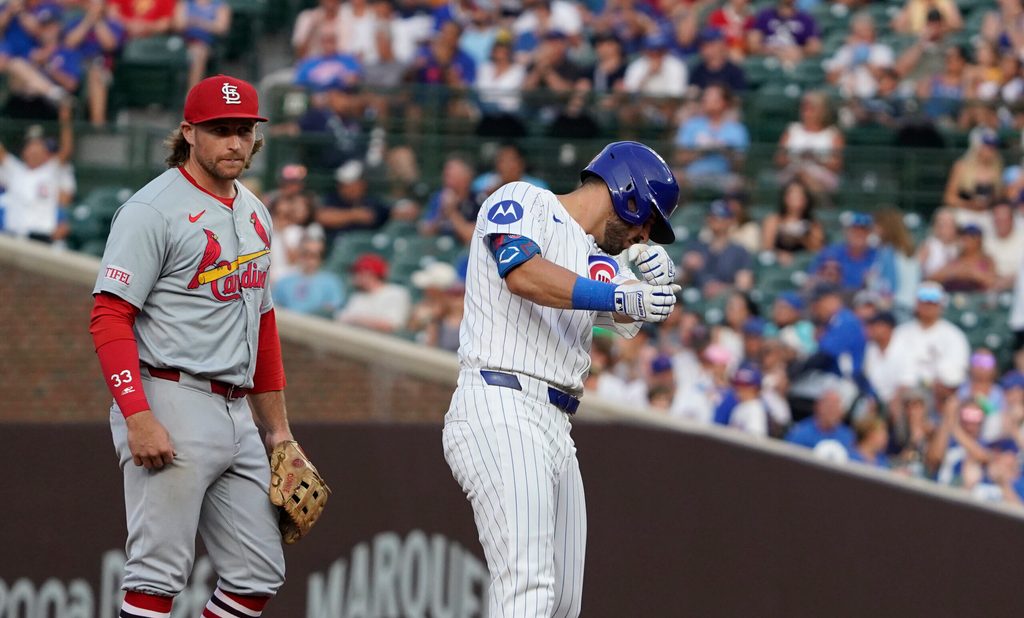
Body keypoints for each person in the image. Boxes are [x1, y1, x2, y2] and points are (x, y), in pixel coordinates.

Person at [442, 141, 681, 617]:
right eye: (646, 219)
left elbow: (633, 311)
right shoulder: (525, 201)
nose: (643, 234)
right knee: (527, 587)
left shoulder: (597, 256)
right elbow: (524, 272)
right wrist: (617, 296)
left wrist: (652, 282)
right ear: (626, 191)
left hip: (555, 424)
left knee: (563, 604)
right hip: (501, 401)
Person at [88, 75, 293, 617]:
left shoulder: (254, 210)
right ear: (188, 133)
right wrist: (137, 415)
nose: (233, 142)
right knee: (156, 577)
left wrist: (278, 432)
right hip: (169, 395)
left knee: (257, 574)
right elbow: (109, 315)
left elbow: (263, 322)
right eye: (219, 130)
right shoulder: (151, 209)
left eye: (243, 131)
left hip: (236, 410)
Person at [0, 101, 75, 243]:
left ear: (46, 152)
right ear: (24, 151)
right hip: (13, 235)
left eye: (38, 145)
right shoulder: (15, 169)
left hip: (42, 237)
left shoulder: (51, 169)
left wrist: (65, 120)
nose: (34, 149)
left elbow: (67, 150)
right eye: (31, 145)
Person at [890, 282, 970, 390]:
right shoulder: (900, 333)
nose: (928, 305)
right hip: (907, 392)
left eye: (933, 302)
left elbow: (956, 372)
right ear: (916, 303)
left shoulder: (954, 335)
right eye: (924, 301)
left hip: (939, 393)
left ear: (941, 305)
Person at [673, 83, 749, 190]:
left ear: (724, 102)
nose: (705, 101)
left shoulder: (736, 129)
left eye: (711, 98)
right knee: (675, 178)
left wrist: (725, 150)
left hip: (723, 177)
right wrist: (701, 150)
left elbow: (740, 165)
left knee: (739, 184)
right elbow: (679, 158)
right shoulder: (691, 124)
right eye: (705, 98)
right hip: (693, 176)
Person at [775, 90, 845, 194]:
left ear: (822, 111)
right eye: (804, 108)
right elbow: (779, 160)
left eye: (811, 109)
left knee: (806, 177)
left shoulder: (833, 134)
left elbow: (837, 165)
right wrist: (798, 158)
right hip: (793, 173)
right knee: (799, 175)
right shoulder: (792, 130)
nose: (806, 112)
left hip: (822, 176)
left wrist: (816, 158)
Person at [680, 200, 754, 297]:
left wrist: (723, 288)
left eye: (720, 216)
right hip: (697, 296)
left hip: (725, 299)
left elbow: (745, 285)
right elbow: (681, 281)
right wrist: (687, 270)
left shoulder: (739, 251)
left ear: (730, 220)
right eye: (711, 216)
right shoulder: (697, 246)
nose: (714, 220)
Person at [318, 160, 389, 246]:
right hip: (337, 247)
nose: (348, 189)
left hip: (366, 248)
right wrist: (355, 215)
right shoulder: (333, 199)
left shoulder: (373, 201)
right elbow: (322, 217)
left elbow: (387, 214)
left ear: (362, 184)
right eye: (344, 185)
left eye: (352, 184)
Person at [824, 11, 894, 100]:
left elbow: (885, 79)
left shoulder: (882, 50)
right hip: (845, 97)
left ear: (873, 32)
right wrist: (849, 57)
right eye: (857, 32)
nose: (861, 35)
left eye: (865, 30)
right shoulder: (845, 50)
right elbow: (830, 79)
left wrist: (864, 58)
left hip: (873, 97)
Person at [336, 252, 411, 333]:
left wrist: (357, 319)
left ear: (370, 273)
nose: (355, 276)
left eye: (358, 272)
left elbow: (391, 325)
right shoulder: (357, 296)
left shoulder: (396, 292)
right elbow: (341, 319)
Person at [273, 236, 346, 318]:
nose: (309, 259)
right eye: (305, 254)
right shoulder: (284, 281)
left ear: (322, 257)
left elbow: (333, 308)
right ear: (299, 254)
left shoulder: (332, 282)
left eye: (314, 255)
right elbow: (274, 306)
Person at [942, 130, 1003, 223]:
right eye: (987, 146)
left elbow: (1000, 197)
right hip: (964, 214)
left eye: (993, 146)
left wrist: (988, 203)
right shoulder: (962, 166)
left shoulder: (997, 169)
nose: (991, 150)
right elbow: (949, 198)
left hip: (988, 216)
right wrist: (970, 204)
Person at [809, 212, 878, 292]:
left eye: (863, 231)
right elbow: (812, 281)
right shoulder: (830, 253)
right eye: (854, 230)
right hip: (832, 297)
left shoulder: (878, 256)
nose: (859, 234)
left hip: (863, 299)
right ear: (845, 232)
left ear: (870, 234)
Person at [419, 154, 479, 244]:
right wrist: (441, 213)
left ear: (466, 177)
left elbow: (472, 237)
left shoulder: (477, 200)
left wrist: (451, 212)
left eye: (450, 174)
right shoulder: (438, 196)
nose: (445, 177)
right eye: (446, 173)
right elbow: (424, 232)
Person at [760, 179, 824, 263]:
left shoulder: (813, 223)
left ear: (806, 199)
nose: (795, 198)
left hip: (804, 264)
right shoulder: (773, 220)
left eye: (799, 195)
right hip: (778, 263)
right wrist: (779, 254)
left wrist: (800, 238)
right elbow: (767, 247)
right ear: (785, 198)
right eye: (791, 194)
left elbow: (818, 250)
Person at [173, 0, 231, 90]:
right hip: (184, 43)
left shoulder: (219, 5)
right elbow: (178, 25)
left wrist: (199, 22)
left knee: (198, 52)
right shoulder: (185, 3)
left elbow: (221, 28)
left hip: (209, 45)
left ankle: (192, 93)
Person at [748, 0, 821, 67]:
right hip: (769, 58)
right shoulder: (765, 15)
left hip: (795, 60)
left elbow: (815, 47)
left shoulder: (805, 19)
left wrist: (800, 50)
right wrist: (771, 51)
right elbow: (753, 44)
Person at [929, 223, 998, 293]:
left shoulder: (986, 260)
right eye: (964, 237)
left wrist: (972, 274)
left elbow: (993, 282)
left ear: (978, 240)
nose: (966, 240)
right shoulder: (956, 260)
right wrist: (955, 273)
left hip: (978, 298)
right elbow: (933, 277)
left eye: (970, 237)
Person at [785, 387, 855, 451]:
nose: (832, 411)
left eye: (836, 407)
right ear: (818, 407)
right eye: (829, 406)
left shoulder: (847, 435)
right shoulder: (801, 432)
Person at [688, 28, 747, 92]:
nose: (706, 49)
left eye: (711, 44)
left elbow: (739, 98)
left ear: (721, 45)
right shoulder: (698, 72)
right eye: (703, 45)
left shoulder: (734, 72)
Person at [986, 201, 1024, 290]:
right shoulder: (985, 239)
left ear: (1012, 219)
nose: (1001, 223)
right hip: (991, 285)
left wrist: (1009, 280)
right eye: (998, 219)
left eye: (1005, 219)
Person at [917, 207, 959, 279]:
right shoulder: (929, 245)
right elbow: (916, 268)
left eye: (948, 224)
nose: (944, 228)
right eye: (941, 224)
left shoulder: (960, 246)